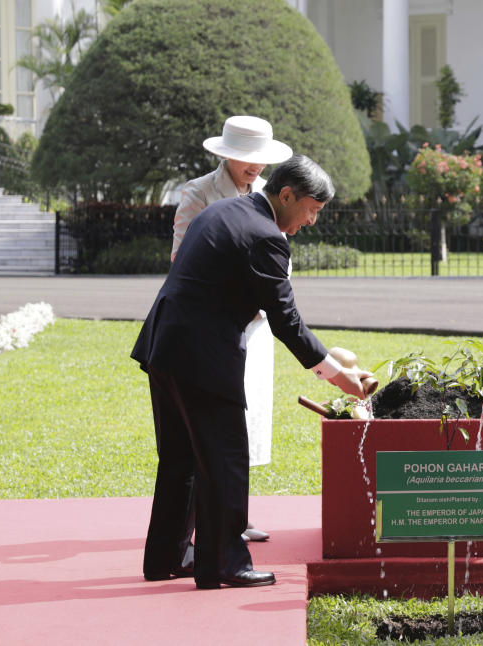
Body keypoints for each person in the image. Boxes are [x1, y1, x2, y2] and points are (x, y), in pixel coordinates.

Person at [132, 155, 371, 589]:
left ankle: (167, 556)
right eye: (312, 210)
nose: (313, 221)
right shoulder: (265, 236)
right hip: (202, 358)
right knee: (225, 461)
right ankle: (225, 563)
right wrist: (337, 375)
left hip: (164, 347)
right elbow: (287, 322)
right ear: (286, 195)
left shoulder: (224, 210)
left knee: (181, 460)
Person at [171, 115, 292, 543]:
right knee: (211, 426)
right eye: (245, 159)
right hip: (214, 324)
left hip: (256, 325)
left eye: (259, 160)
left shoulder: (266, 194)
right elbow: (183, 258)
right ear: (226, 155)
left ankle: (232, 515)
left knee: (246, 419)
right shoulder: (199, 192)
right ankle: (212, 520)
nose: (253, 167)